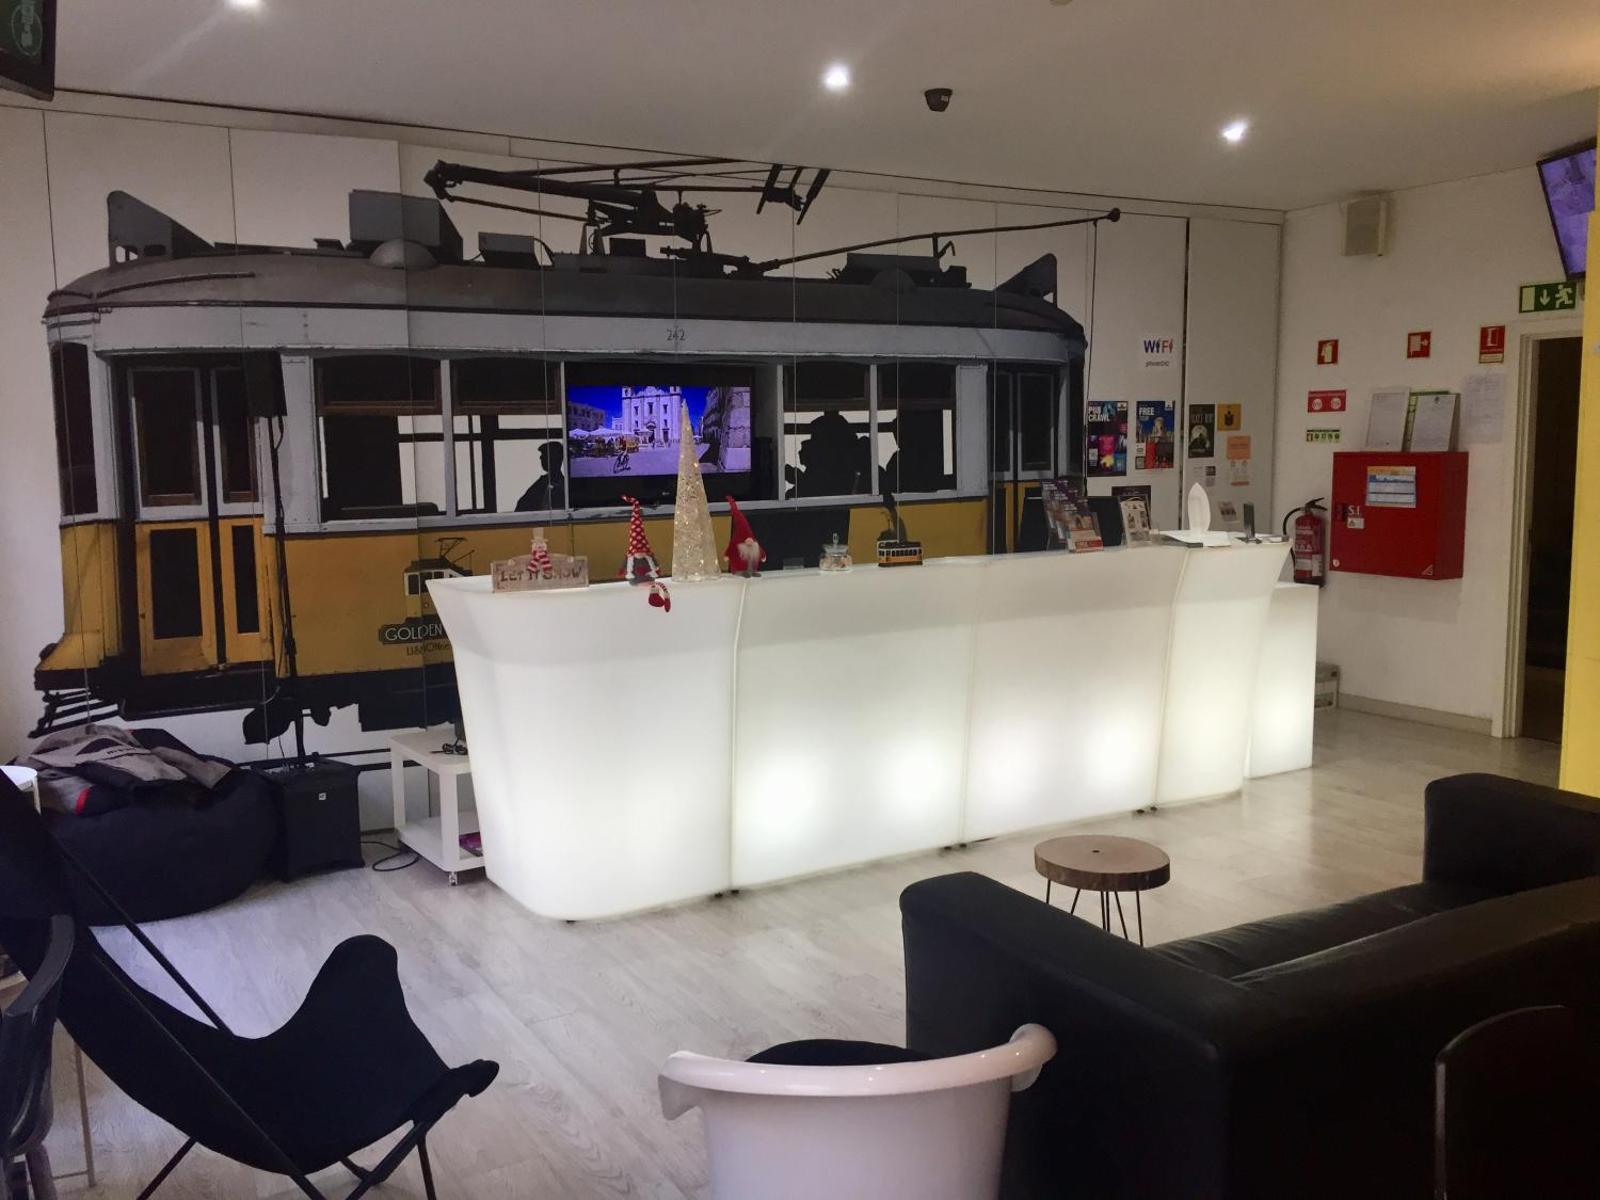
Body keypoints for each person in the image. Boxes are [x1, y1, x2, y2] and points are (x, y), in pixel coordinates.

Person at [514, 442, 567, 512]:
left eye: (544, 454)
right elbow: (522, 506)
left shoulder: (561, 485)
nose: (541, 457)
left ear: (555, 457)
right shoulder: (543, 482)